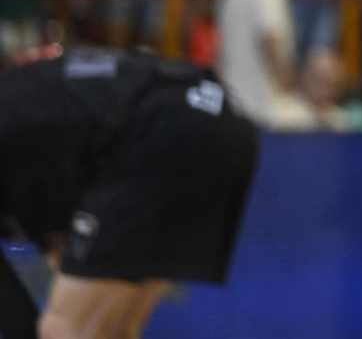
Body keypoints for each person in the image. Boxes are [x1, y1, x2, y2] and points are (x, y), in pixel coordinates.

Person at [0, 47, 258, 339]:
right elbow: (63, 250)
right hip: (220, 116)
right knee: (114, 330)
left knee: (63, 329)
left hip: (157, 127)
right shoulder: (24, 138)